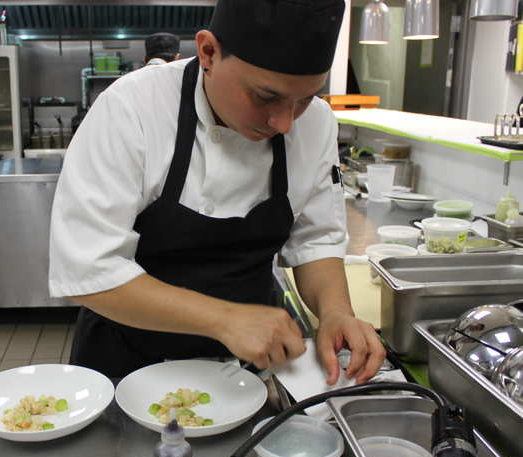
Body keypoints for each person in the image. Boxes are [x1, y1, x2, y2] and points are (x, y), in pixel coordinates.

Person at [49, 0, 386, 383]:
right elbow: (87, 268)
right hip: (126, 357)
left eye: (306, 99)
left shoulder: (317, 123)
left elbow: (316, 239)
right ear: (208, 52)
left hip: (251, 364)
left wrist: (336, 312)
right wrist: (225, 320)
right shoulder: (132, 108)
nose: (285, 123)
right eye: (266, 97)